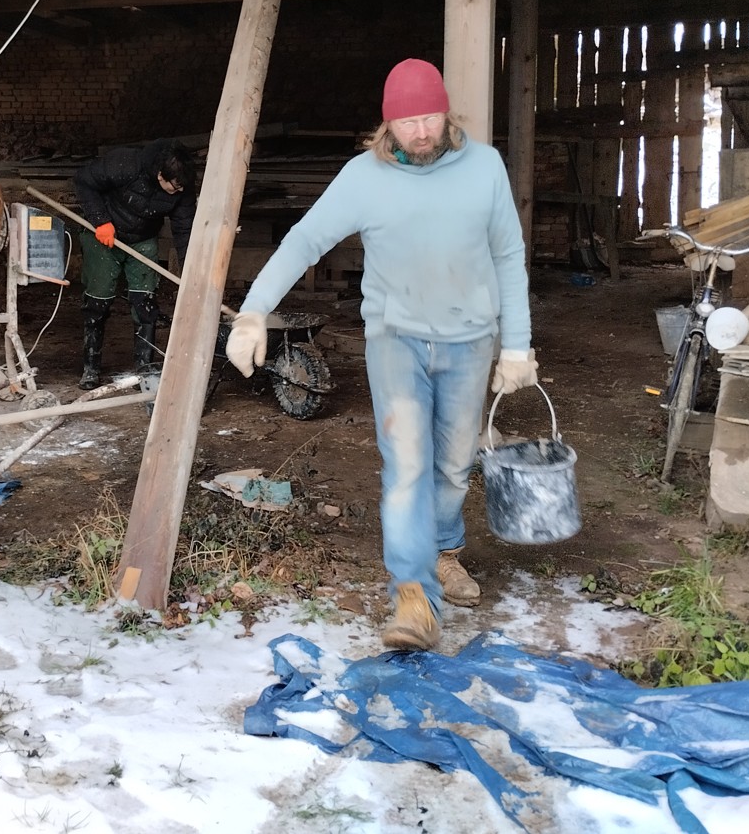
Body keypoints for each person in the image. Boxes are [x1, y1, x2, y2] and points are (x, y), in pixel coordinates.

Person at [225, 59, 537, 652]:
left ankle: (443, 551)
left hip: (470, 340)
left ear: (447, 114)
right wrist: (254, 310)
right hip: (395, 340)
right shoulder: (363, 178)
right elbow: (305, 240)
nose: (421, 131)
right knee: (407, 465)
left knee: (454, 464)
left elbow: (507, 257)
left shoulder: (485, 168)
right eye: (407, 122)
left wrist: (517, 345)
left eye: (430, 117)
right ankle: (414, 596)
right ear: (387, 125)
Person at [73, 138, 197, 390]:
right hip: (104, 236)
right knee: (98, 301)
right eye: (173, 187)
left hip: (143, 239)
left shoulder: (182, 187)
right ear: (160, 175)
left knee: (145, 304)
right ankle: (91, 368)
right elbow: (84, 181)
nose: (178, 191)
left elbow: (184, 230)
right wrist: (100, 220)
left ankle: (144, 371)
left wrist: (189, 272)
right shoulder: (125, 163)